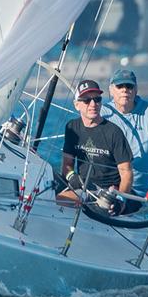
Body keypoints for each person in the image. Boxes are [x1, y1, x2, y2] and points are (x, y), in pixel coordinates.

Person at [58, 80, 134, 212]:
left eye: (97, 99)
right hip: (82, 186)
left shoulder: (114, 132)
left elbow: (127, 172)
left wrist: (120, 199)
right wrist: (71, 176)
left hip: (105, 193)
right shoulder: (72, 127)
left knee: (57, 200)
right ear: (77, 105)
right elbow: (67, 164)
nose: (93, 104)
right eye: (87, 100)